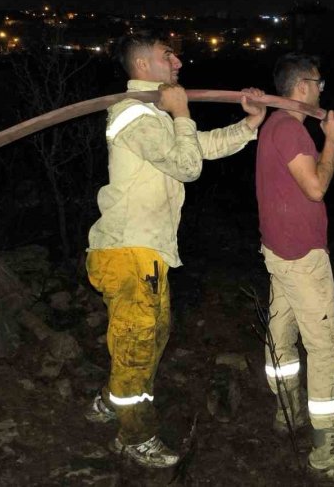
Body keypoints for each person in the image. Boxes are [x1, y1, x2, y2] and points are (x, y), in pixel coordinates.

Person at [84, 33, 267, 469]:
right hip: (126, 250)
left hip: (146, 253)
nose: (180, 62)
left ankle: (113, 402)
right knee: (138, 343)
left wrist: (249, 126)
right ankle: (134, 435)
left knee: (152, 336)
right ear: (143, 66)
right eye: (169, 55)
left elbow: (197, 148)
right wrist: (182, 111)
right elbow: (187, 166)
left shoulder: (153, 115)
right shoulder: (132, 114)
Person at [255, 52, 334, 485]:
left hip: (281, 257)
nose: (322, 91)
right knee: (325, 350)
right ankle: (328, 454)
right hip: (303, 261)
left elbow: (310, 171)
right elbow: (316, 187)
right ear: (302, 86)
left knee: (282, 336)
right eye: (318, 83)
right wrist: (332, 138)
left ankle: (285, 411)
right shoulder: (291, 130)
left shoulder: (279, 127)